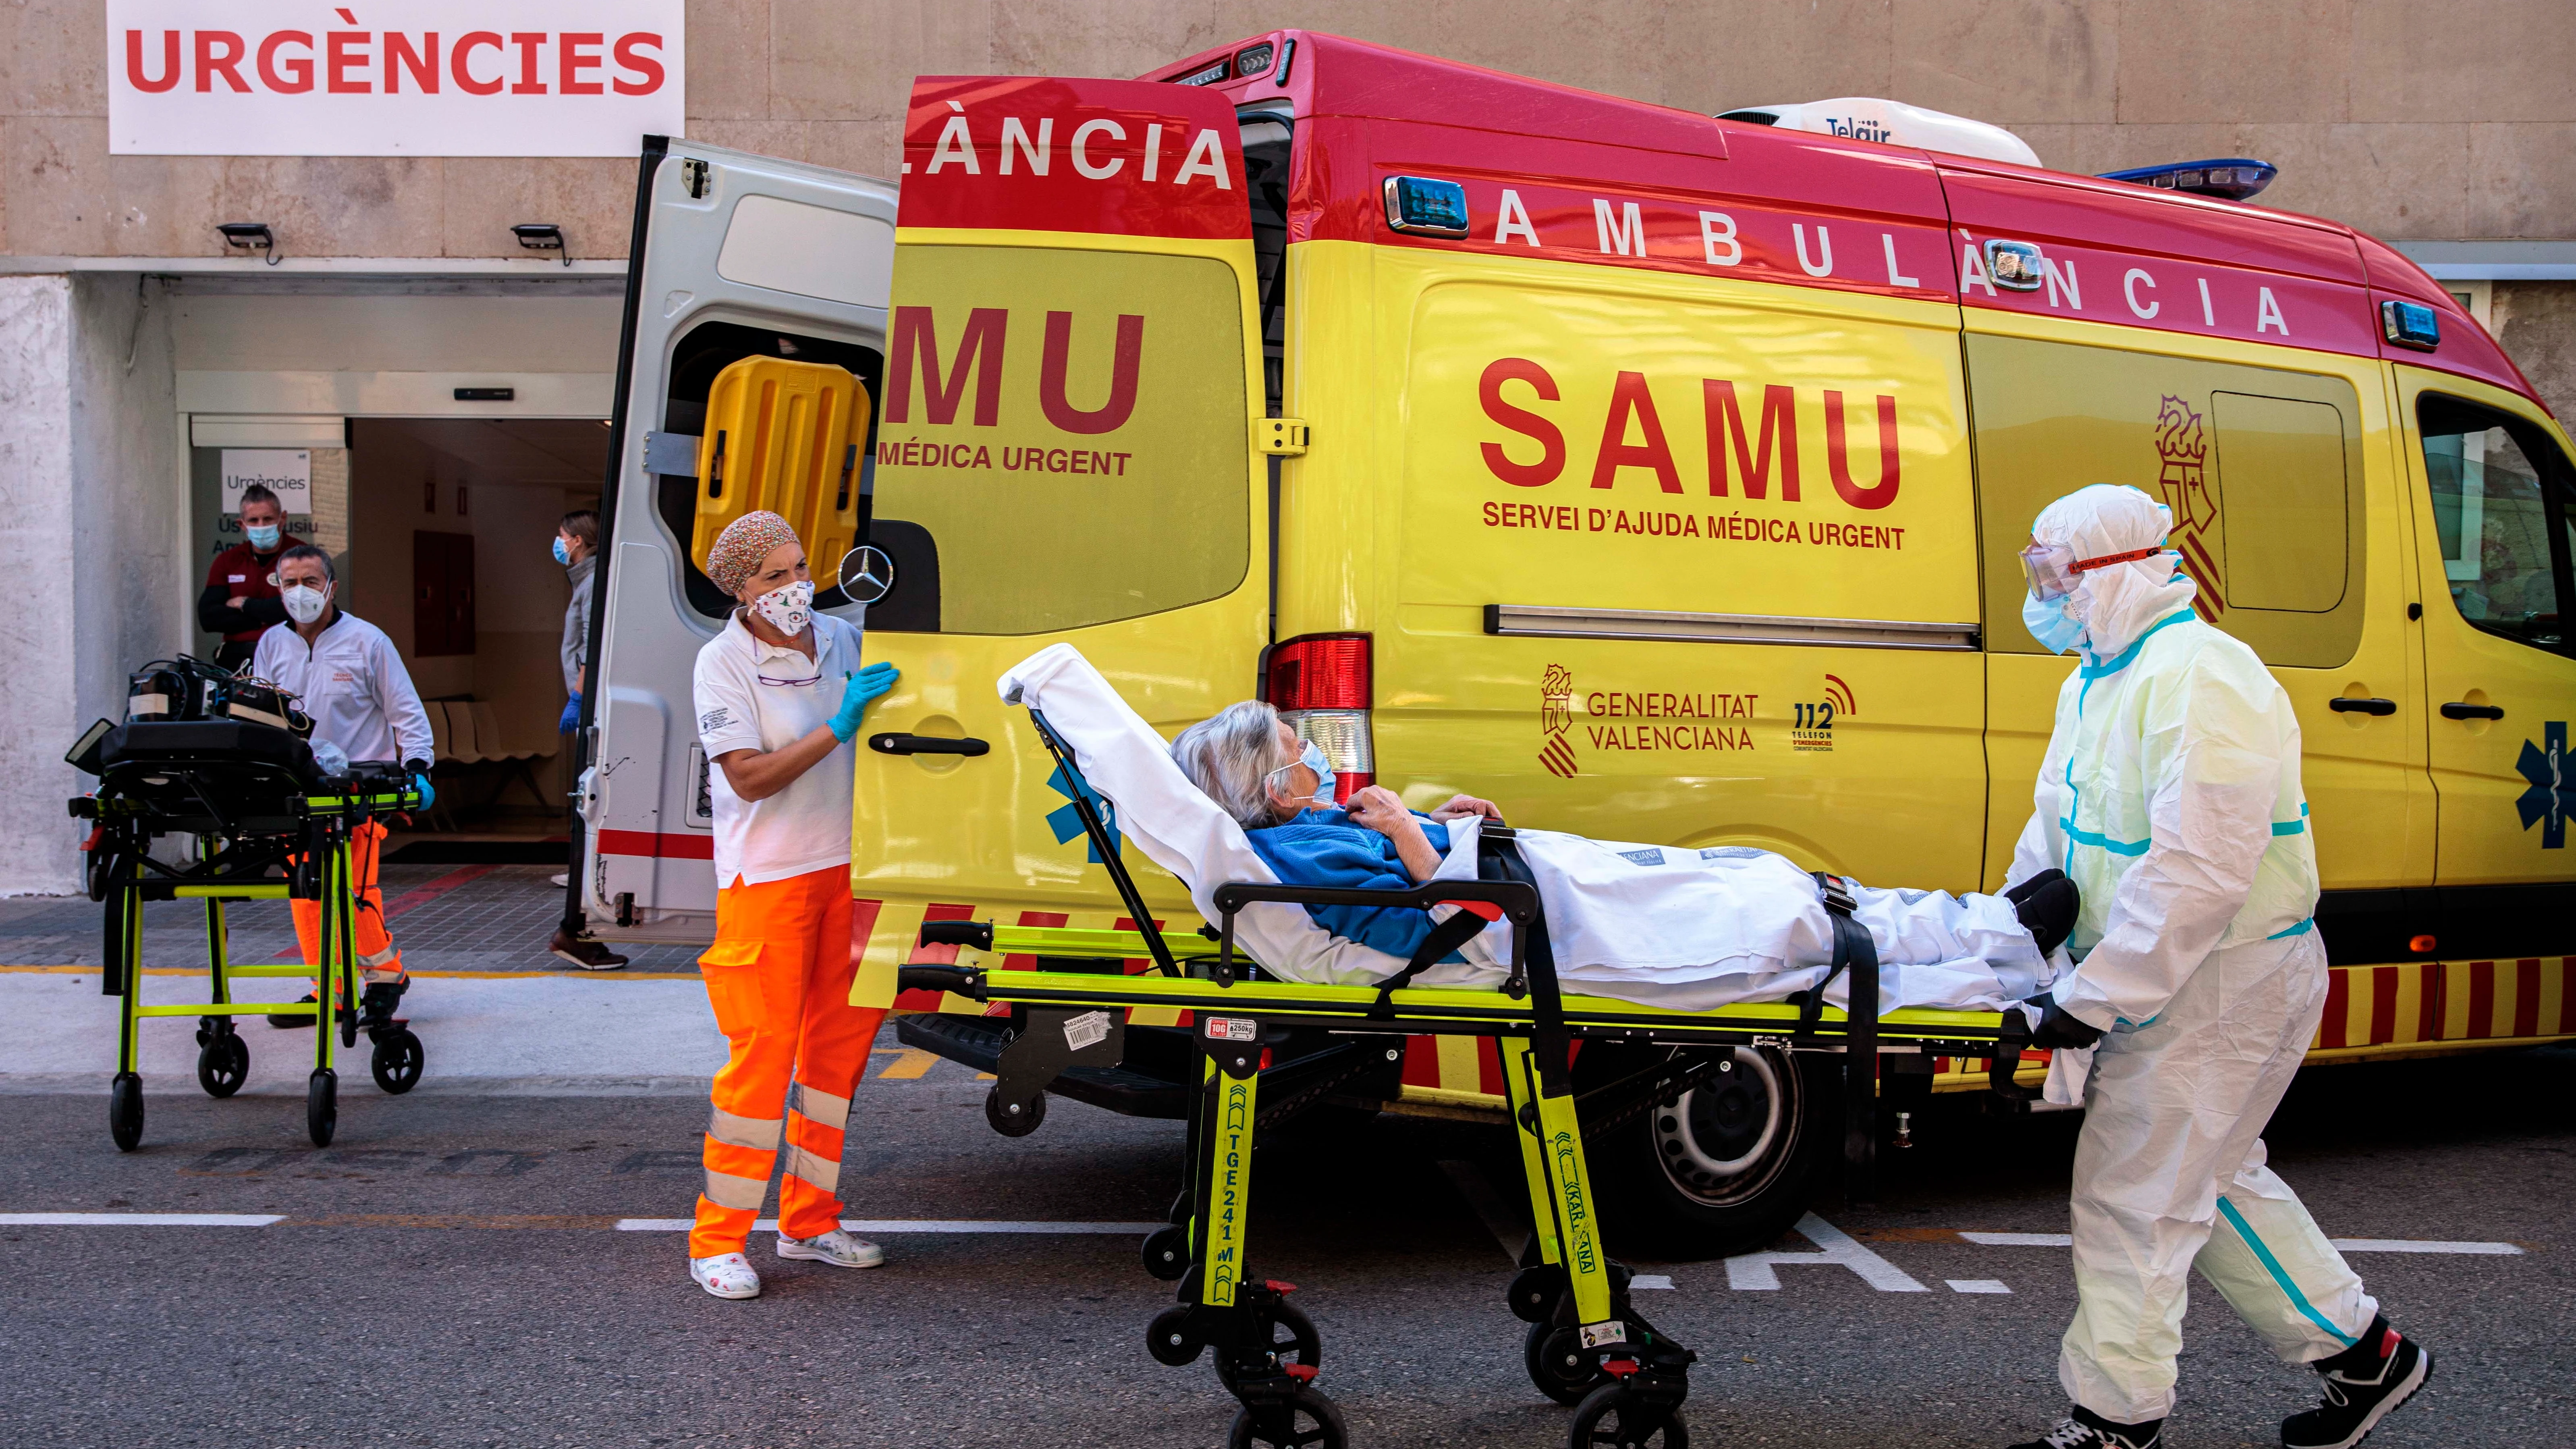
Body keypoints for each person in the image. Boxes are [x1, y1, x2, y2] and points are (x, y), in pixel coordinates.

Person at [2001, 485, 2429, 1449]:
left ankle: (2117, 1419)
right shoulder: (2096, 679)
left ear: (2121, 570)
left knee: (2134, 1197)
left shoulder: (2205, 677)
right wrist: (2014, 929)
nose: (2044, 595)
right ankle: (2366, 1356)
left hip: (2226, 981)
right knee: (2210, 1179)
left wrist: (2092, 994)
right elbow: (2057, 826)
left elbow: (2200, 867)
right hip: (2168, 978)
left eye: (2056, 575)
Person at [1168, 701, 2079, 1012]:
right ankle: (2009, 968)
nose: (1314, 756)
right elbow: (1440, 920)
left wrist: (1449, 825)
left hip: (1542, 886)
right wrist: (1412, 830)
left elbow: (1429, 884)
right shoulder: (1289, 858)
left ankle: (1985, 920)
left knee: (1772, 884)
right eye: (1297, 749)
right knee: (1784, 941)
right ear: (1268, 783)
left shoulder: (1304, 832)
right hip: (1548, 926)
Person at [683, 509, 899, 1300]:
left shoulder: (842, 640)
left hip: (849, 872)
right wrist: (840, 725)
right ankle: (717, 1239)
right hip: (767, 882)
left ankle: (808, 1220)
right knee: (761, 1064)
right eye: (774, 577)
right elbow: (745, 775)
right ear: (740, 590)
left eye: (800, 567)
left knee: (835, 1059)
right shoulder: (720, 663)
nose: (795, 587)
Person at [249, 545, 436, 1031]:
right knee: (307, 893)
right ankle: (328, 989)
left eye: (310, 581)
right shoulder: (272, 644)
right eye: (289, 582)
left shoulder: (368, 642)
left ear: (331, 586)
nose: (300, 592)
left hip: (360, 788)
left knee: (351, 890)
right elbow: (261, 717)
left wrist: (418, 767)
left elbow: (406, 711)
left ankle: (386, 976)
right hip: (299, 788)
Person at [544, 509, 625, 968]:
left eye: (560, 536)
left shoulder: (594, 581)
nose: (557, 544)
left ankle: (577, 927)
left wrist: (579, 697)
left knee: (588, 808)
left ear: (576, 540)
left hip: (591, 708)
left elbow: (591, 646)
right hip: (588, 705)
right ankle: (577, 928)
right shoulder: (587, 579)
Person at [197, 484, 303, 672]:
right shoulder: (228, 560)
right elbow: (209, 617)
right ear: (242, 525)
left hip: (291, 657)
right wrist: (264, 617)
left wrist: (244, 604)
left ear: (282, 519)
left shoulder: (302, 557)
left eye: (268, 519)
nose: (261, 526)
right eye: (254, 520)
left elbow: (300, 607)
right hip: (238, 662)